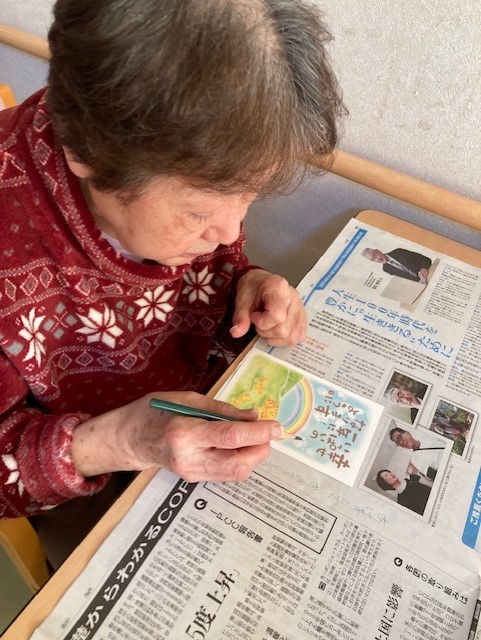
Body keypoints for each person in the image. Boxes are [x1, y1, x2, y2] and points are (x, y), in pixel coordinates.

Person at [0, 0, 345, 567]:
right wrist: (122, 441)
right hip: (90, 485)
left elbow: (215, 260)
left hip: (204, 420)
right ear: (87, 151)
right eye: (197, 213)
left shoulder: (179, 153)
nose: (230, 231)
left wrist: (246, 281)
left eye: (249, 197)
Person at [362, 248, 432, 283]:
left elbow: (425, 259)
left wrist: (423, 268)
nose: (377, 259)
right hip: (422, 284)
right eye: (373, 259)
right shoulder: (386, 269)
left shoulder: (398, 252)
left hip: (430, 273)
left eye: (375, 255)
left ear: (378, 251)